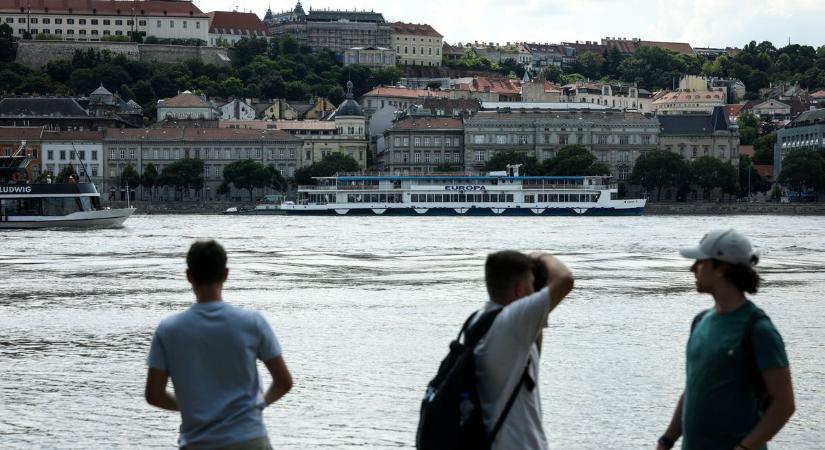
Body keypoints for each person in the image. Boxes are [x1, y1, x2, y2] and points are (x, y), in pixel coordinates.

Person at [145, 240, 293, 450]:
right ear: (225, 274)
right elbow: (284, 382)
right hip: (250, 439)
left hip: (198, 442)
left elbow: (154, 394)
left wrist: (191, 408)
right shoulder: (252, 322)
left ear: (189, 276)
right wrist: (256, 406)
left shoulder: (168, 330)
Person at [657, 229, 795, 450]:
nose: (692, 268)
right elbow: (693, 388)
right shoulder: (700, 321)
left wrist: (744, 448)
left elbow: (784, 404)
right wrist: (667, 439)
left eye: (700, 263)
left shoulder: (758, 329)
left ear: (721, 268)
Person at [473, 251, 575, 449]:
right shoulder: (512, 322)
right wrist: (542, 256)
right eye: (530, 282)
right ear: (519, 290)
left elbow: (532, 359)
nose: (534, 289)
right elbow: (565, 279)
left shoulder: (479, 321)